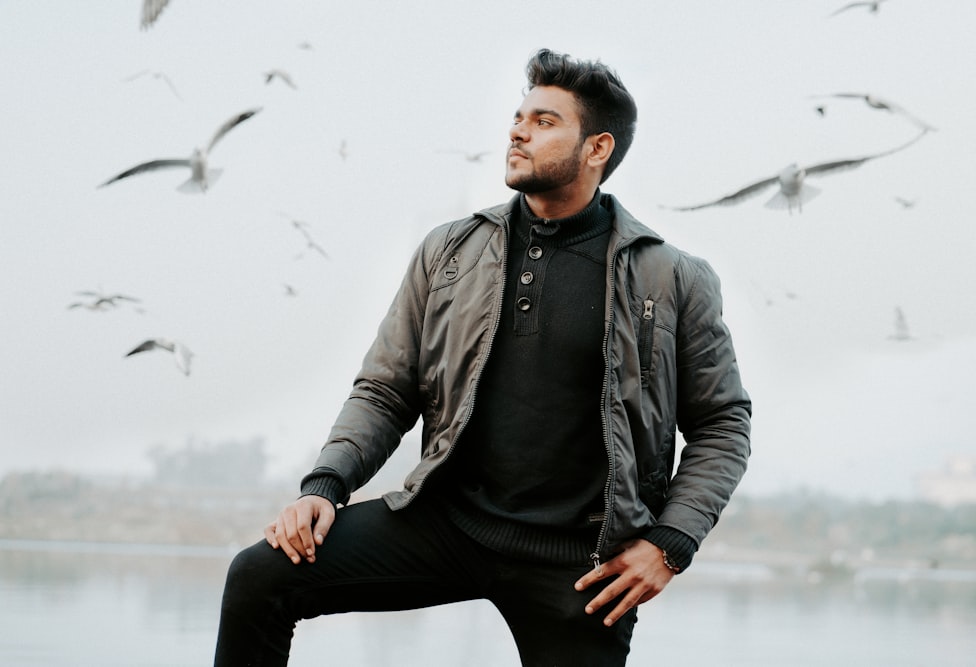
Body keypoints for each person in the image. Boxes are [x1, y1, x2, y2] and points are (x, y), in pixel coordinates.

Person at [214, 47, 751, 667]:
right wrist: (326, 485)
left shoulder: (672, 277)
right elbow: (387, 389)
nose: (519, 131)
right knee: (260, 576)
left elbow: (721, 424)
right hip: (443, 524)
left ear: (597, 149)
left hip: (576, 566)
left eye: (545, 121)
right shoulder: (450, 251)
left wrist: (670, 542)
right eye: (519, 118)